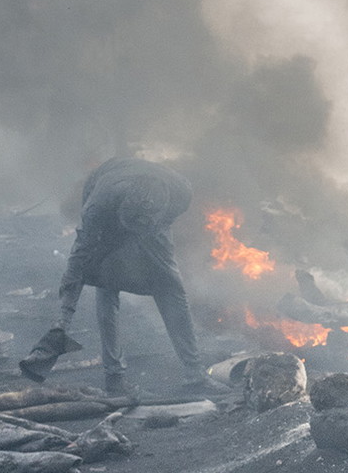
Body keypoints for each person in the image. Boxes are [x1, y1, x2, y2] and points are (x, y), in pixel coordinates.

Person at [21, 156, 209, 400]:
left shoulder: (180, 194)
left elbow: (159, 227)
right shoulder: (98, 207)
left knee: (171, 286)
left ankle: (196, 375)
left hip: (153, 225)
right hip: (110, 215)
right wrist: (61, 323)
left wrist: (145, 234)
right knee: (107, 285)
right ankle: (115, 378)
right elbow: (77, 264)